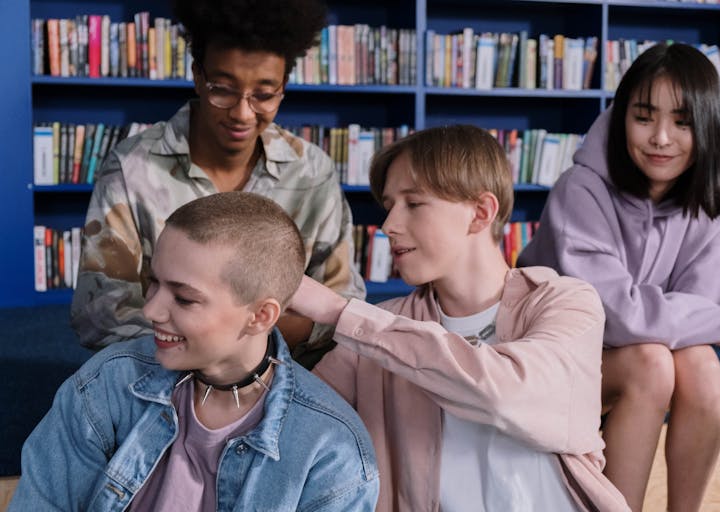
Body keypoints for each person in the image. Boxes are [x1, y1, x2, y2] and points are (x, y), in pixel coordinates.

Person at [288, 125, 630, 511]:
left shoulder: (566, 303)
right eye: (389, 206)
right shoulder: (371, 334)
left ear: (480, 213)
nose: (388, 226)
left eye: (413, 204)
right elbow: (293, 419)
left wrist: (336, 310)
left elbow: (507, 393)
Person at [10, 192, 379, 511]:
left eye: (184, 298)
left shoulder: (331, 451)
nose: (151, 310)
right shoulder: (104, 385)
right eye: (153, 282)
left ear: (261, 315)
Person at [518, 42, 720, 512]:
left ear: (706, 127)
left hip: (630, 356)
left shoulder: (711, 208)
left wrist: (711, 322)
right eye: (644, 116)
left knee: (702, 365)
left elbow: (697, 320)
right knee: (652, 360)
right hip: (548, 355)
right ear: (621, 115)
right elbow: (616, 317)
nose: (661, 138)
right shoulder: (580, 189)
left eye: (683, 122)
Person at [70, 0, 365, 367]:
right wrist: (233, 339)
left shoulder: (311, 170)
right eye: (222, 89)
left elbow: (345, 307)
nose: (243, 113)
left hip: (285, 374)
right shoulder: (132, 168)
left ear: (284, 87)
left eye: (264, 94)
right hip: (164, 377)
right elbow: (99, 315)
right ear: (197, 75)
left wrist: (234, 341)